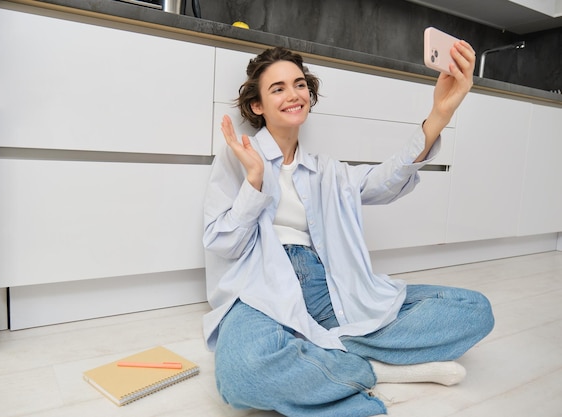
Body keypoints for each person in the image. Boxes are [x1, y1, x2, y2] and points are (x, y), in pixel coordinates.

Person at [202, 43, 494, 417]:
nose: (293, 94)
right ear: (256, 105)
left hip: (328, 287)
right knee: (243, 376)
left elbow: (383, 181)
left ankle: (319, 353)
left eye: (299, 84)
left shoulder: (326, 170)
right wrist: (255, 181)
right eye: (277, 88)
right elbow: (220, 242)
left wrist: (439, 114)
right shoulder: (238, 155)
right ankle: (376, 370)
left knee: (474, 310)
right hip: (258, 290)